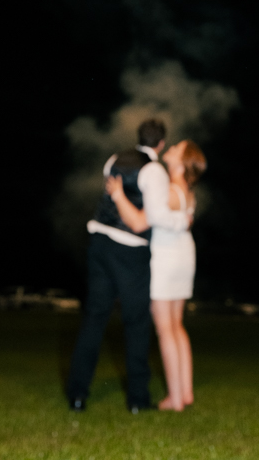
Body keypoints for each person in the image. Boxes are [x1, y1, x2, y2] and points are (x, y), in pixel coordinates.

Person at [66, 119, 190, 413]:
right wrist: (183, 220)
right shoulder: (154, 170)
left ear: (139, 137)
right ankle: (137, 399)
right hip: (129, 250)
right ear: (160, 144)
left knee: (94, 319)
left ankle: (77, 395)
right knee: (136, 323)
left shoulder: (113, 159)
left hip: (98, 242)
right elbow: (149, 218)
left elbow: (110, 200)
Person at [107, 139, 207, 412]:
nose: (171, 148)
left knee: (165, 329)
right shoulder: (187, 192)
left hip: (166, 258)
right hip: (184, 255)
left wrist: (118, 195)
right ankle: (185, 393)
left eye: (177, 148)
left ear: (182, 161)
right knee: (177, 326)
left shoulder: (171, 190)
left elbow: (141, 220)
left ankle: (174, 399)